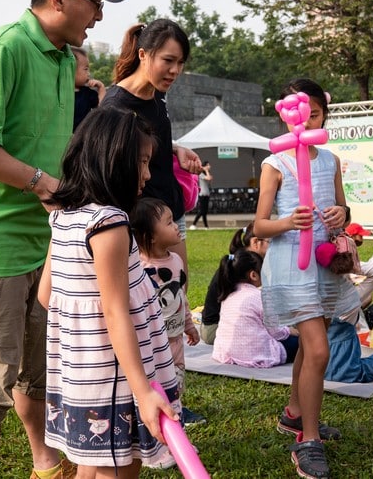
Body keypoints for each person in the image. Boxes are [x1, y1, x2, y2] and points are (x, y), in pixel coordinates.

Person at [0, 0, 126, 479]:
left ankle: (43, 461)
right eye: (95, 2)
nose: (100, 14)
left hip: (46, 242)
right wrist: (43, 183)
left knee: (39, 367)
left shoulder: (65, 59)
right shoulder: (4, 47)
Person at [39, 106, 179, 477]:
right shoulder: (110, 223)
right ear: (114, 159)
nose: (148, 175)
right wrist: (143, 391)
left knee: (95, 462)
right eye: (143, 163)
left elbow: (45, 295)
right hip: (116, 376)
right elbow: (115, 311)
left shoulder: (64, 216)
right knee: (118, 467)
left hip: (82, 373)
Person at [253, 78, 359, 479]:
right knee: (317, 349)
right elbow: (259, 227)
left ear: (323, 115)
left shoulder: (329, 160)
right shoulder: (274, 163)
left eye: (315, 113)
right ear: (284, 114)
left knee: (312, 346)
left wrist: (340, 217)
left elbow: (342, 208)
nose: (307, 120)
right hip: (289, 265)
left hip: (325, 262)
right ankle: (307, 442)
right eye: (302, 113)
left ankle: (295, 414)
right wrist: (286, 221)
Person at [103, 19, 202, 274]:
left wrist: (174, 148)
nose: (175, 70)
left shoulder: (158, 94)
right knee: (149, 305)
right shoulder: (116, 106)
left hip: (172, 213)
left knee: (178, 296)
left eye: (180, 63)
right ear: (143, 55)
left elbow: (146, 138)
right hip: (141, 223)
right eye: (168, 61)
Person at [129, 197, 203, 427]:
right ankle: (156, 431)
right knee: (155, 387)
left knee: (176, 386)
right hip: (151, 344)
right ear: (150, 236)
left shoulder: (177, 261)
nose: (176, 226)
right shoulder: (138, 268)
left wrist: (189, 325)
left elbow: (181, 298)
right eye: (169, 222)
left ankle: (174, 426)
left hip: (175, 340)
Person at [212, 248, 298, 368]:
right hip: (256, 353)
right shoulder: (259, 296)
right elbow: (277, 332)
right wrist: (290, 331)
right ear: (254, 275)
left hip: (225, 352)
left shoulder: (228, 295)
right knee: (301, 343)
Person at [199, 223, 270, 345]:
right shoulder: (241, 266)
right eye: (271, 242)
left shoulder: (238, 260)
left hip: (211, 326)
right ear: (255, 242)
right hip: (214, 329)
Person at [71, 46, 105, 130]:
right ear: (71, 70)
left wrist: (101, 88)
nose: (88, 74)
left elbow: (101, 108)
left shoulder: (87, 94)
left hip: (81, 136)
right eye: (85, 69)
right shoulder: (59, 92)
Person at [190, 161, 213, 230]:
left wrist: (207, 171)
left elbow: (210, 179)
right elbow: (209, 178)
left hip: (206, 194)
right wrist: (206, 170)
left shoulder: (205, 173)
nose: (209, 166)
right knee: (201, 211)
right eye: (208, 165)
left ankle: (206, 226)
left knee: (204, 212)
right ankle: (193, 224)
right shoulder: (200, 174)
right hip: (202, 194)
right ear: (204, 166)